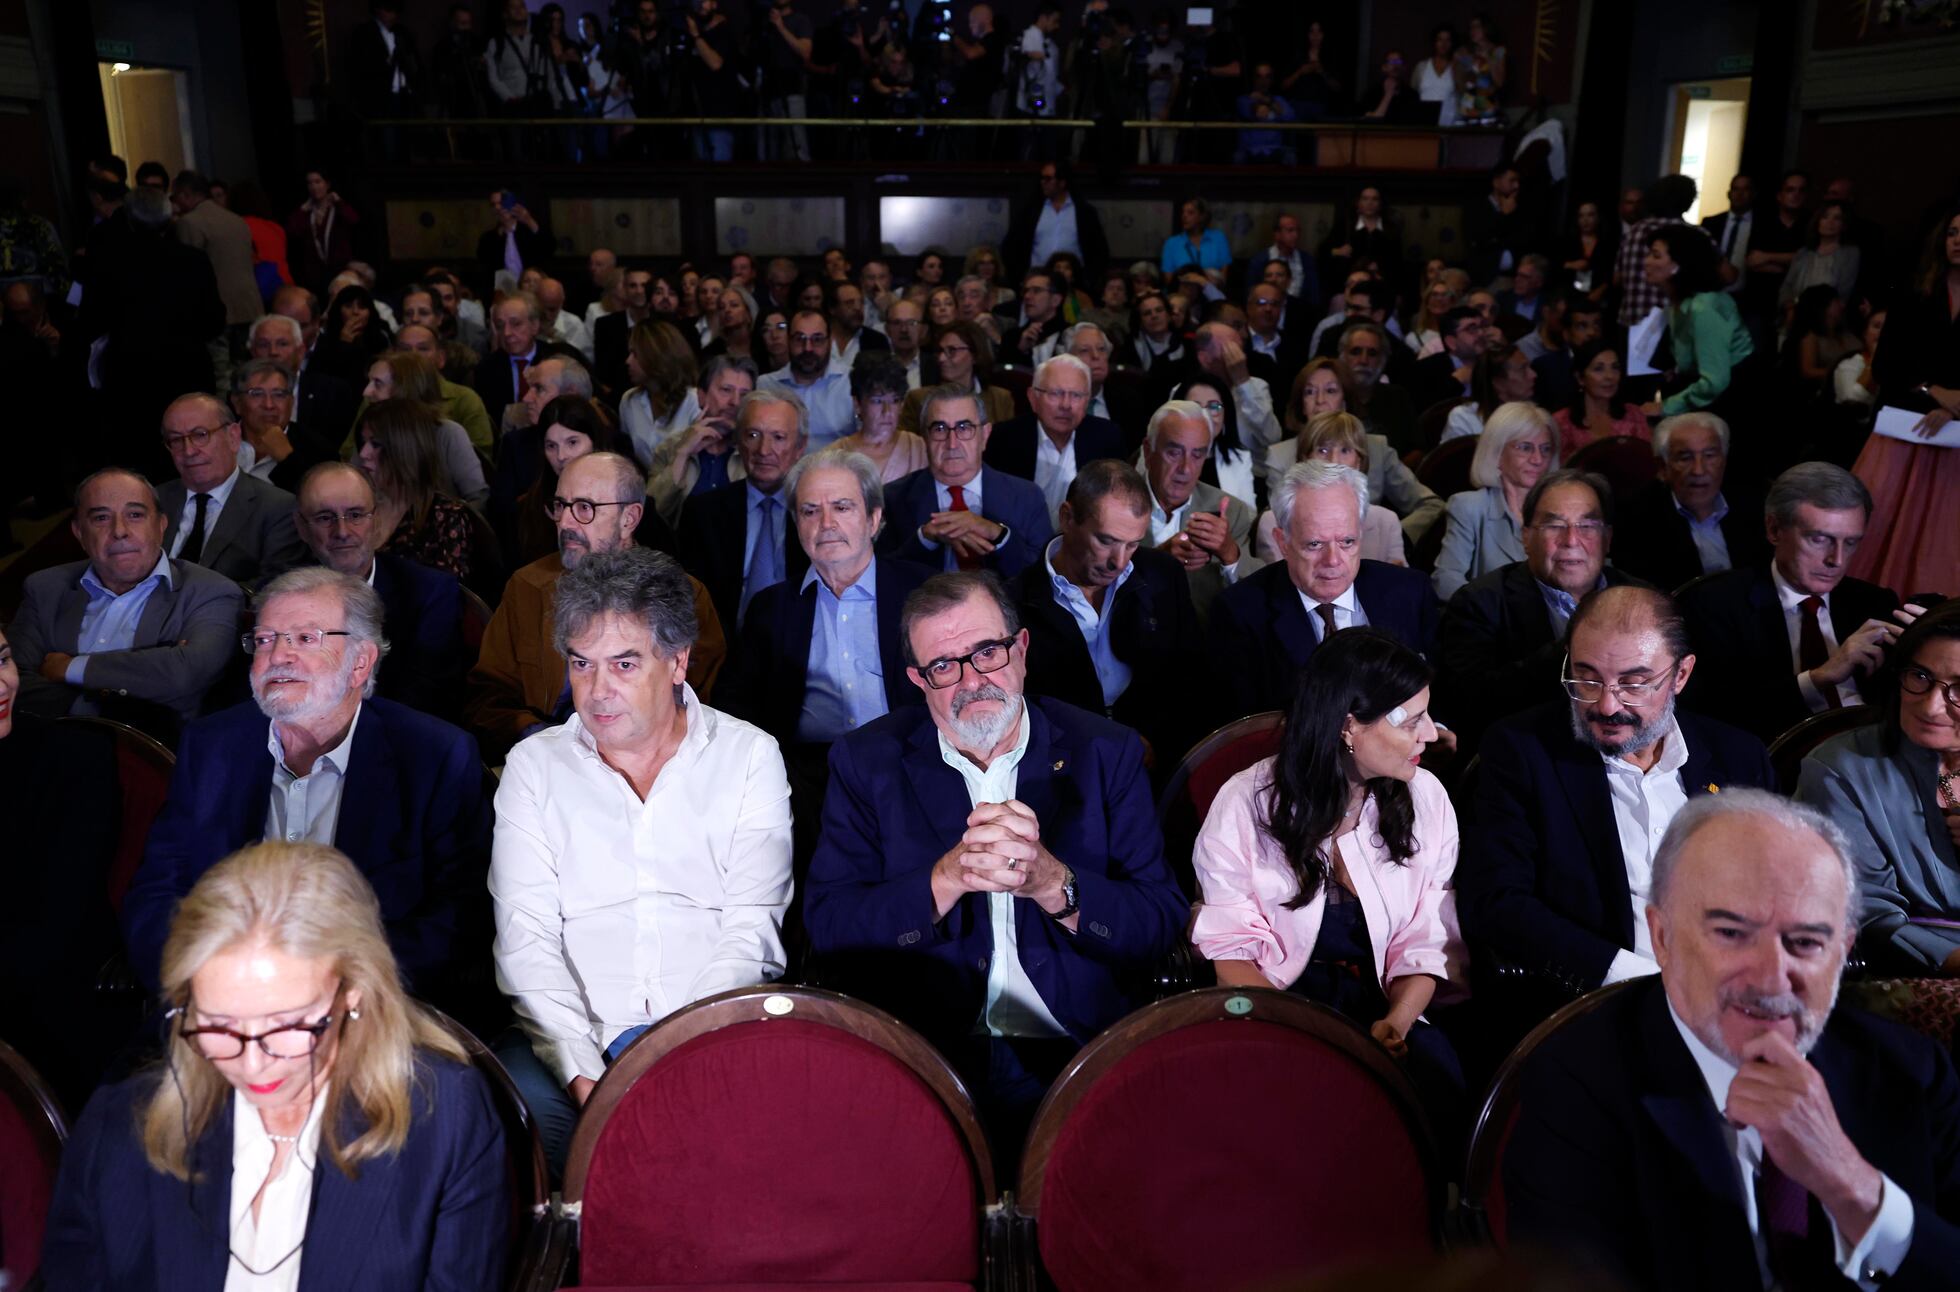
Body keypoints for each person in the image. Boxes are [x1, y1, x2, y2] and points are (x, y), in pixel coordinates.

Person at [1502, 790, 1960, 1291]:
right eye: (1731, 933)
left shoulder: (1913, 1070)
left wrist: (1851, 1185)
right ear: (1662, 937)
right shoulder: (1577, 1083)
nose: (1770, 979)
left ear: (1843, 949)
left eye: (1805, 942)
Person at [803, 569, 1187, 1161]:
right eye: (944, 666)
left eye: (987, 652)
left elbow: (1160, 920)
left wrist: (1058, 885)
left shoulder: (1104, 751)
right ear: (918, 680)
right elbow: (828, 926)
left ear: (1022, 649)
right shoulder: (866, 762)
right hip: (926, 1049)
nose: (971, 680)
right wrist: (944, 879)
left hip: (1073, 1042)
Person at [42, 841, 509, 1289]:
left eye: (287, 1026)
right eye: (218, 1025)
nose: (252, 1064)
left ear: (354, 992)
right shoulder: (121, 1118)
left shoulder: (446, 1118)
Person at [489, 545, 793, 1175]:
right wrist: (586, 1076)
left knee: (745, 1149)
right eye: (581, 664)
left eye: (624, 664)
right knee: (529, 1146)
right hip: (571, 1044)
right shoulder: (534, 767)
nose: (597, 691)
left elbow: (750, 932)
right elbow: (527, 939)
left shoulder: (749, 757)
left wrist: (671, 1056)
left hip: (715, 1028)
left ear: (678, 661)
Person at [123, 567, 495, 1016]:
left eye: (304, 638)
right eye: (264, 639)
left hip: (369, 1013)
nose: (278, 655)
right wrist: (198, 982)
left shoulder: (434, 755)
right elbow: (159, 889)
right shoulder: (212, 745)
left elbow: (459, 917)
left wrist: (329, 991)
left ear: (360, 662)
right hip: (219, 1007)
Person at [1194, 627, 1466, 1134]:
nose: (1431, 734)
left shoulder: (1426, 796)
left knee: (1437, 1098)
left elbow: (1426, 938)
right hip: (1273, 1012)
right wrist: (1301, 1038)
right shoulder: (1244, 801)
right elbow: (1231, 951)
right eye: (1413, 720)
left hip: (1387, 1007)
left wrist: (1396, 1026)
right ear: (1347, 727)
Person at [1459, 586, 1774, 1014]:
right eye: (1587, 679)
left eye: (1634, 683)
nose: (1607, 705)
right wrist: (1632, 981)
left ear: (1681, 675)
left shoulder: (1738, 757)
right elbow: (1497, 902)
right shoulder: (1523, 752)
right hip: (1603, 1006)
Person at [1678, 463, 1908, 743]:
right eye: (1820, 539)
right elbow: (1718, 713)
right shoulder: (1716, 604)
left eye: (1850, 543)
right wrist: (1818, 678)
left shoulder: (1875, 602)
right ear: (1774, 529)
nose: (1836, 560)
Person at [9, 468, 245, 738]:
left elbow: (186, 674)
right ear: (78, 532)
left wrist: (68, 668)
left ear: (161, 524)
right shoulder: (45, 588)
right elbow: (11, 680)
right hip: (47, 746)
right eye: (101, 518)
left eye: (135, 515)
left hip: (156, 763)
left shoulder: (210, 593)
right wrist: (100, 712)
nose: (119, 531)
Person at [1797, 600, 1960, 976]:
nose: (1932, 706)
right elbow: (1868, 912)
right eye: (1920, 676)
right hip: (1908, 977)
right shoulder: (1840, 768)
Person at [1009, 458, 1205, 768]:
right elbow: (1022, 711)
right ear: (1067, 517)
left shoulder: (1163, 576)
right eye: (1106, 541)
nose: (1119, 561)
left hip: (1156, 766)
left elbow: (1190, 681)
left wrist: (1153, 742)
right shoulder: (1014, 601)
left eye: (1132, 545)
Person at [1210, 461, 1439, 722]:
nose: (1333, 560)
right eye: (1315, 544)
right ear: (1282, 542)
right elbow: (1243, 727)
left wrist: (1438, 728)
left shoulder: (1408, 592)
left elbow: (1437, 687)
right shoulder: (1240, 613)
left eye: (1347, 542)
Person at [1437, 469, 1645, 744]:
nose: (1571, 540)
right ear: (1526, 537)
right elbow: (1470, 704)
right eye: (1555, 526)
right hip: (1530, 752)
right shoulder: (1478, 603)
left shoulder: (1644, 600)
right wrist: (1574, 646)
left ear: (1607, 538)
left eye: (1587, 526)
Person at [294, 462, 468, 721]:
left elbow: (425, 700)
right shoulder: (280, 600)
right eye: (324, 518)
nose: (342, 532)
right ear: (302, 527)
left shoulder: (430, 594)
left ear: (377, 521)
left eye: (355, 515)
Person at [1852, 203, 1960, 597]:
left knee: (1943, 546)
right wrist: (1936, 392)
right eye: (1952, 233)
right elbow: (1886, 365)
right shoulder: (1916, 291)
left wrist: (1953, 404)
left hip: (1957, 443)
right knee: (1879, 532)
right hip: (1906, 429)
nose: (1958, 241)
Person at [878, 383, 1052, 579]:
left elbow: (1045, 577)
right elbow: (880, 575)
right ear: (925, 437)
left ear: (985, 435)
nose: (952, 443)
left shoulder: (1027, 497)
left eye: (964, 427)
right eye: (940, 429)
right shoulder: (893, 498)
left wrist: (998, 535)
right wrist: (925, 538)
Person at [677, 389, 813, 633]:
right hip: (725, 650)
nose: (763, 450)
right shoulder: (703, 513)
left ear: (800, 446)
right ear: (738, 441)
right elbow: (688, 604)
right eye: (752, 435)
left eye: (779, 437)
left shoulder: (816, 513)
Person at [156, 393, 308, 589]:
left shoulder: (278, 508)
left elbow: (274, 590)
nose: (189, 451)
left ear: (233, 436)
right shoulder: (154, 501)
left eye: (200, 435)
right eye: (176, 440)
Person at [1612, 412, 1769, 592]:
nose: (1699, 470)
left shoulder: (1756, 504)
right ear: (1663, 468)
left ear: (1724, 461)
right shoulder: (1634, 520)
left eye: (1710, 455)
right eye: (1685, 458)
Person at [1141, 399, 1264, 619]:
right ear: (1148, 452)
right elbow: (1095, 579)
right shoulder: (1116, 504)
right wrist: (1158, 561)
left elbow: (1257, 598)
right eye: (1174, 453)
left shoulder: (1230, 510)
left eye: (1197, 455)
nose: (1186, 468)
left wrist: (1229, 553)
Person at [1432, 402, 1557, 600]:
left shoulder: (1563, 508)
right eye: (1525, 448)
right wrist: (1490, 610)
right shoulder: (1469, 507)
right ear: (1497, 452)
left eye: (1545, 449)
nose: (1537, 459)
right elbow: (1446, 579)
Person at [984, 353, 1124, 524]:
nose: (1065, 405)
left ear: (1087, 401)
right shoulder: (1003, 439)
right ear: (1033, 398)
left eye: (1076, 395)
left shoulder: (1107, 437)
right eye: (1055, 393)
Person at [1258, 411, 1406, 569]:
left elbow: (1401, 587)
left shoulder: (1387, 522)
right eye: (1323, 450)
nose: (1334, 461)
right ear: (1304, 459)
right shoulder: (1272, 522)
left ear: (1359, 462)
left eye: (1345, 450)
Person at [1640, 223, 1757, 421]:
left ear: (1678, 265)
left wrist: (1665, 406)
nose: (1646, 262)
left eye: (1656, 255)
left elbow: (1715, 382)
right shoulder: (1679, 301)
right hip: (1710, 392)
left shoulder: (1704, 307)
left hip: (1733, 400)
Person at [357, 400, 480, 587]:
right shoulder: (356, 505)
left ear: (405, 449)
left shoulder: (445, 515)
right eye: (363, 442)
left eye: (375, 444)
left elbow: (445, 596)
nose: (363, 453)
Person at [359, 350, 490, 506]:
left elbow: (478, 498)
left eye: (378, 383)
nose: (366, 392)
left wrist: (450, 527)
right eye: (369, 382)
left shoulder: (447, 433)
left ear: (405, 389)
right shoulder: (368, 431)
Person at [644, 355, 759, 529]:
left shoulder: (758, 451)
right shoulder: (670, 448)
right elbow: (652, 514)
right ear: (701, 396)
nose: (735, 402)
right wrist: (683, 454)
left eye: (744, 394)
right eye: (726, 390)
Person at [756, 308, 856, 449]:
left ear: (830, 341)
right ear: (788, 341)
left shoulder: (851, 382)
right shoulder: (767, 385)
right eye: (799, 339)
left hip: (838, 468)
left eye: (817, 340)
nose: (808, 348)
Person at [618, 320, 701, 467]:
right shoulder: (629, 401)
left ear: (656, 356)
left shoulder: (694, 401)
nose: (628, 361)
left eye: (635, 354)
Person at [834, 355, 928, 484]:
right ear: (857, 404)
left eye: (894, 401)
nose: (887, 411)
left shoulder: (920, 448)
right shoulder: (835, 454)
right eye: (877, 401)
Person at [1441, 342, 1538, 443]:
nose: (1533, 374)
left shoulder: (1533, 412)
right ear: (1498, 383)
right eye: (1522, 369)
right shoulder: (1464, 419)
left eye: (1529, 367)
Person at [287, 170, 361, 297]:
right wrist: (302, 210)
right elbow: (291, 231)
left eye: (317, 182)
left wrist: (339, 202)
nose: (314, 187)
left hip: (339, 269)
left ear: (327, 184)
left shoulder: (337, 208)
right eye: (310, 183)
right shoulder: (307, 211)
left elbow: (353, 220)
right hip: (314, 275)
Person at [1464, 163, 1532, 288]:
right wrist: (1503, 216)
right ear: (1496, 182)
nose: (1516, 186)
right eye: (1511, 181)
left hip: (1514, 279)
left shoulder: (1521, 210)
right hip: (1485, 278)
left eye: (1518, 181)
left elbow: (1523, 241)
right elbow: (1479, 239)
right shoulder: (1476, 207)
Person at [1159, 197, 1232, 282]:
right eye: (1183, 212)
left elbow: (1223, 278)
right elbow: (1169, 279)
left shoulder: (1218, 238)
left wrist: (1205, 284)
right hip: (1182, 293)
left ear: (1202, 217)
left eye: (1190, 213)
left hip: (1212, 292)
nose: (1184, 216)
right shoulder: (1172, 243)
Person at [1411, 24, 1459, 126]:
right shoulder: (1421, 67)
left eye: (1447, 40)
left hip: (1449, 124)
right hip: (1424, 123)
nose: (1443, 44)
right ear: (1434, 42)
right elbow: (1413, 94)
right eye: (1440, 40)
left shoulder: (1457, 68)